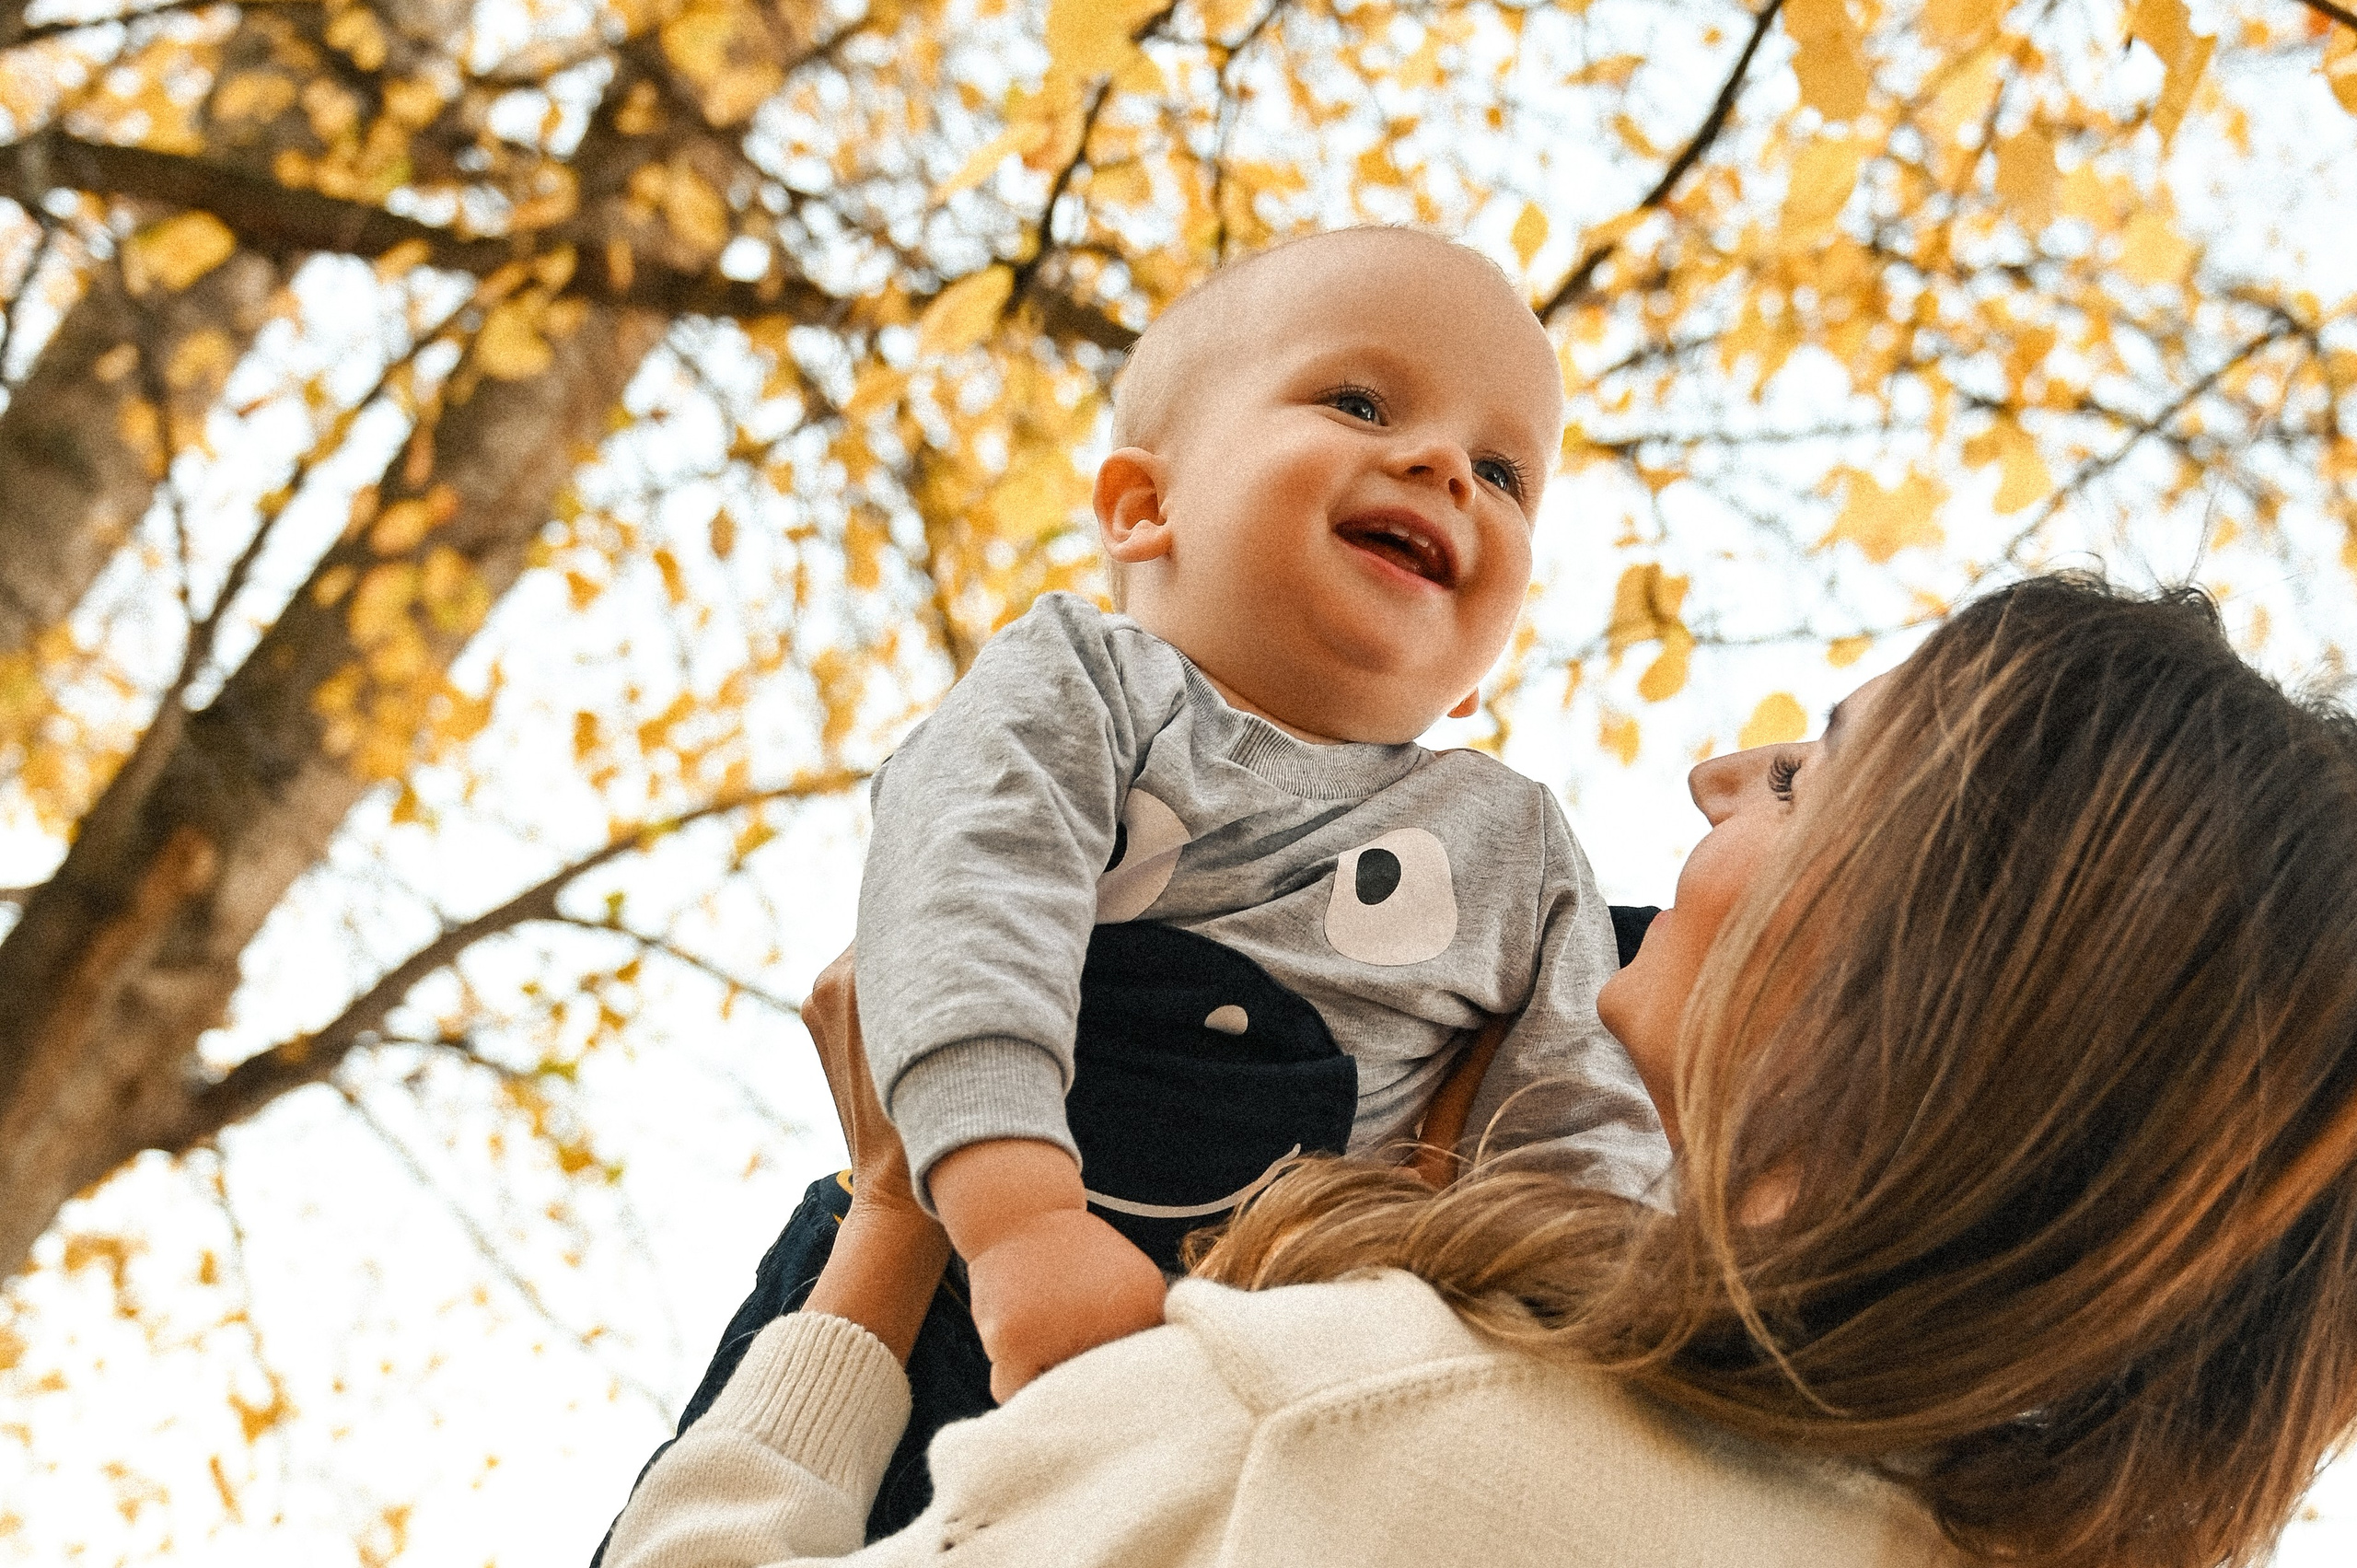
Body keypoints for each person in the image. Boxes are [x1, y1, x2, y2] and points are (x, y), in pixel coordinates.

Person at [601, 575, 2357, 1568]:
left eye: (1814, 775)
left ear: (1924, 988)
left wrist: (897, 1223)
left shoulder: (1353, 1426)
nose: (1709, 780)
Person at [849, 228, 1663, 1406]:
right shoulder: (1081, 684)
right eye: (1358, 401)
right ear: (1145, 505)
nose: (1442, 464)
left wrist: (1555, 1361)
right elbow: (963, 903)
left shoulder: (1512, 844)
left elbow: (1578, 1136)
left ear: (1478, 669)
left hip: (1264, 1378)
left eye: (1502, 473)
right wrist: (1018, 1215)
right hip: (947, 1272)